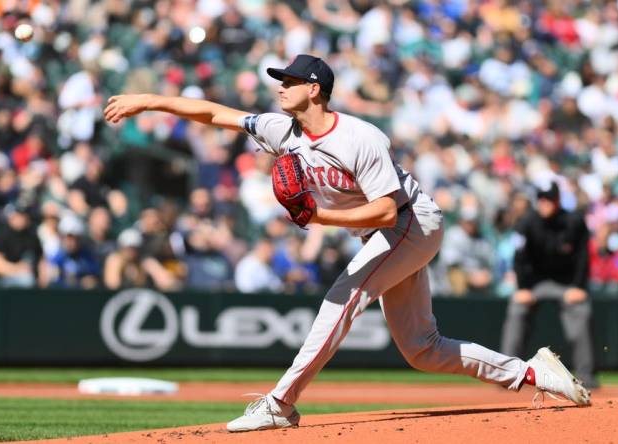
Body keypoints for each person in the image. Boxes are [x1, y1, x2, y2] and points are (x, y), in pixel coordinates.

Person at [104, 54, 591, 433]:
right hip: (387, 230)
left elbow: (384, 208)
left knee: (342, 298)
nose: (281, 86)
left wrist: (319, 216)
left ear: (314, 89)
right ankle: (531, 374)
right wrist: (149, 100)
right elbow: (213, 113)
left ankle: (280, 403)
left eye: (290, 81)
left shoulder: (361, 138)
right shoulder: (282, 129)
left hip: (411, 222)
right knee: (422, 349)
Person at [500, 180, 598, 388]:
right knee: (517, 309)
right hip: (535, 284)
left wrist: (579, 287)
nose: (545, 203)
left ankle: (586, 375)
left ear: (558, 200)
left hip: (567, 284)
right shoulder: (527, 222)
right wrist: (522, 288)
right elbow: (519, 258)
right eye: (541, 199)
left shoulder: (573, 222)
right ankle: (507, 375)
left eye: (549, 199)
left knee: (581, 311)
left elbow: (583, 258)